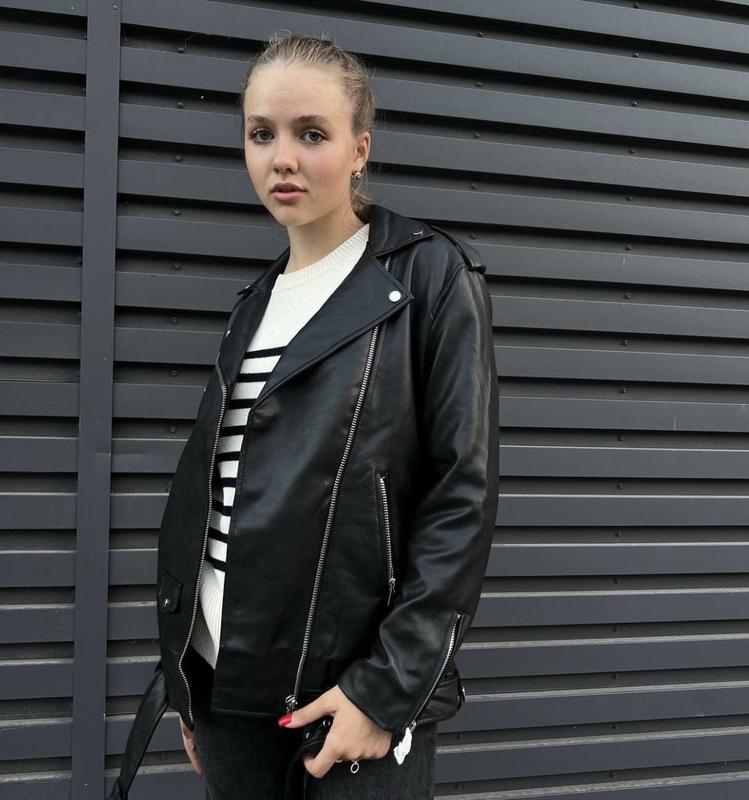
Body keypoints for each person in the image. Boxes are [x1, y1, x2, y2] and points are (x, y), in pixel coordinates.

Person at [107, 31, 498, 800]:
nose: (281, 159)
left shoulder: (428, 277)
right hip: (221, 685)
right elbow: (216, 497)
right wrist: (186, 674)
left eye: (310, 134)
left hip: (346, 692)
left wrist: (385, 689)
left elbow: (461, 496)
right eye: (262, 134)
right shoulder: (252, 305)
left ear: (359, 149)